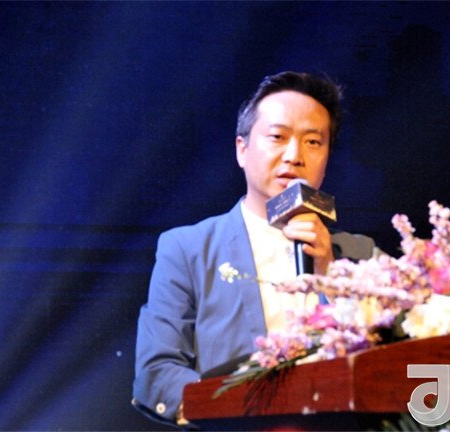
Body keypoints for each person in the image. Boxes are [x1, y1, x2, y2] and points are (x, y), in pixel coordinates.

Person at [132, 71, 376, 424]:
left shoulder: (361, 255)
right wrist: (241, 410)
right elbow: (157, 371)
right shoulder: (186, 249)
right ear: (242, 149)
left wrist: (331, 276)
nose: (294, 156)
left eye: (313, 142)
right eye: (278, 137)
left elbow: (398, 358)